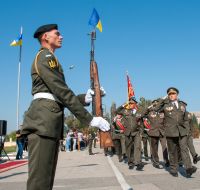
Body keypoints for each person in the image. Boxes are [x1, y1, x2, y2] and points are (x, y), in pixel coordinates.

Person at [21, 24, 110, 190]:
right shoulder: (45, 57)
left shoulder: (50, 58)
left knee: (46, 181)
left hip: (48, 124)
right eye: (57, 34)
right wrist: (89, 119)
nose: (61, 37)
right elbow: (61, 91)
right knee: (39, 184)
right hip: (42, 123)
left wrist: (87, 97)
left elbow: (58, 95)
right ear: (45, 37)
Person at [153, 87, 197, 177]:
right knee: (172, 151)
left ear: (177, 95)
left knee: (184, 149)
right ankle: (173, 169)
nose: (171, 95)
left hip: (181, 131)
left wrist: (187, 129)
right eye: (169, 94)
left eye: (173, 94)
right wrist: (162, 99)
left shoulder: (182, 105)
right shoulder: (165, 105)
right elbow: (156, 109)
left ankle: (189, 168)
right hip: (170, 131)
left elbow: (185, 119)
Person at [116, 97, 145, 171]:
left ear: (135, 104)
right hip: (127, 132)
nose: (131, 104)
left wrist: (141, 132)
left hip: (136, 132)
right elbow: (117, 111)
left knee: (137, 147)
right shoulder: (125, 111)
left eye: (132, 103)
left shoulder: (139, 112)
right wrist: (123, 105)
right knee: (129, 148)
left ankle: (138, 162)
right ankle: (131, 162)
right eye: (130, 103)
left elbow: (141, 123)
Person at [142, 99, 169, 169]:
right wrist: (148, 108)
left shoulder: (163, 112)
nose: (155, 104)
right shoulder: (150, 112)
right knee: (154, 148)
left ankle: (166, 160)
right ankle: (156, 162)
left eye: (157, 103)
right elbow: (142, 115)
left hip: (162, 132)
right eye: (154, 104)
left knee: (164, 147)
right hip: (153, 132)